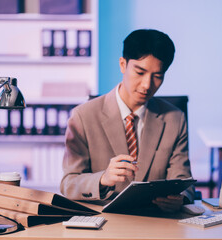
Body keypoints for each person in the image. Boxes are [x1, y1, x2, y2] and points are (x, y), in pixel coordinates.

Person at [60, 29, 194, 212]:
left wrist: (180, 198)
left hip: (157, 223)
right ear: (123, 65)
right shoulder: (82, 117)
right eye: (140, 72)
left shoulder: (175, 119)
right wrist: (103, 179)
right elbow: (68, 184)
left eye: (157, 76)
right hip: (104, 224)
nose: (147, 85)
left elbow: (184, 181)